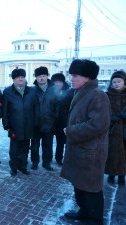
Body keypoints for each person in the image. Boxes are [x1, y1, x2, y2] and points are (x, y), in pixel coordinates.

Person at [61, 59, 110, 225]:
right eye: (71, 75)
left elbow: (98, 124)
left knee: (91, 188)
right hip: (80, 149)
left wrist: (71, 131)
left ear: (87, 77)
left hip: (91, 152)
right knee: (80, 185)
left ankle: (94, 219)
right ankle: (84, 212)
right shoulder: (81, 92)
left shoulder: (98, 95)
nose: (71, 79)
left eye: (75, 75)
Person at [2, 68, 36, 176]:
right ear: (13, 80)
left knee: (25, 149)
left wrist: (35, 122)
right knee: (14, 149)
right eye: (18, 77)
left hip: (28, 125)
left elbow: (36, 108)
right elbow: (5, 110)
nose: (20, 79)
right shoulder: (7, 92)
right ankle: (14, 168)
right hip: (14, 126)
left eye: (22, 77)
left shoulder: (31, 91)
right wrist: (6, 125)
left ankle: (23, 167)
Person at [31, 66, 58, 171]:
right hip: (35, 124)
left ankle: (46, 163)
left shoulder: (53, 90)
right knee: (34, 146)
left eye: (44, 76)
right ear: (36, 77)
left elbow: (58, 106)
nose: (42, 78)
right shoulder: (32, 90)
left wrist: (55, 120)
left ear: (47, 76)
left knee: (48, 146)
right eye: (39, 76)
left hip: (49, 124)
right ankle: (35, 162)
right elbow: (29, 107)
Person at [105, 70, 126, 185]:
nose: (116, 84)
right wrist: (112, 118)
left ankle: (122, 175)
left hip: (124, 131)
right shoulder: (107, 95)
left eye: (119, 81)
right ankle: (111, 174)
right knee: (111, 153)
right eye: (114, 82)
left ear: (124, 82)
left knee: (124, 154)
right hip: (111, 130)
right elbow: (102, 111)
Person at [50, 73, 71, 166]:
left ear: (63, 83)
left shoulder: (69, 92)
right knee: (48, 142)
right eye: (55, 82)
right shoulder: (49, 92)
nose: (57, 84)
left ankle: (59, 158)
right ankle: (48, 157)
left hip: (63, 121)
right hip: (51, 121)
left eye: (59, 82)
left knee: (61, 142)